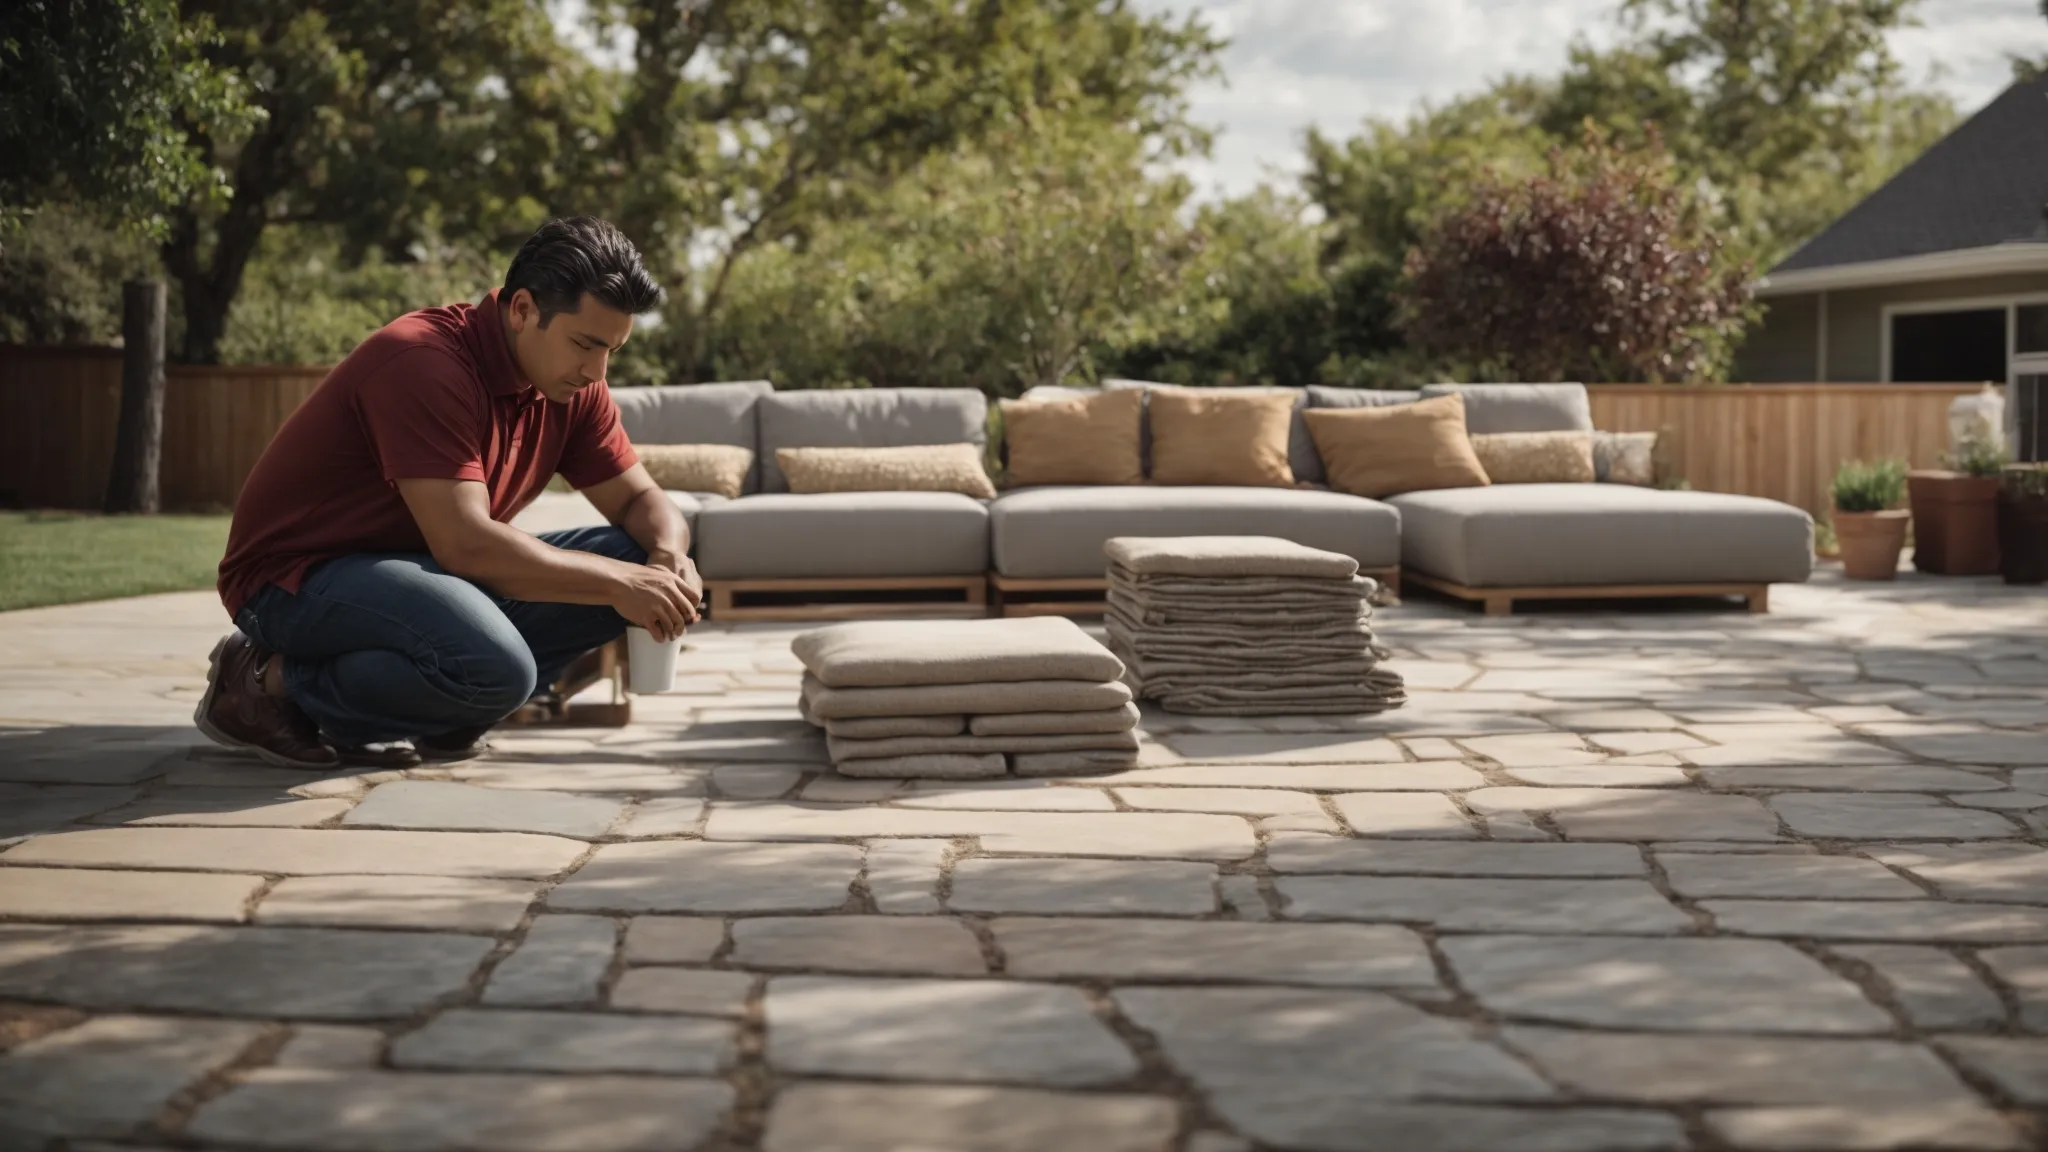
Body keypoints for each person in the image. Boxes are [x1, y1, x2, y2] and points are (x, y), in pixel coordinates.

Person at [197, 217, 703, 770]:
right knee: (501, 668)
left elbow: (640, 503)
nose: (597, 370)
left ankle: (447, 710)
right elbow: (466, 545)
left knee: (635, 558)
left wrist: (666, 559)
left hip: (424, 570)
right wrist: (618, 584)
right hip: (295, 576)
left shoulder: (573, 385)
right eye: (585, 344)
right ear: (523, 310)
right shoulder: (424, 362)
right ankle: (262, 682)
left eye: (613, 349)